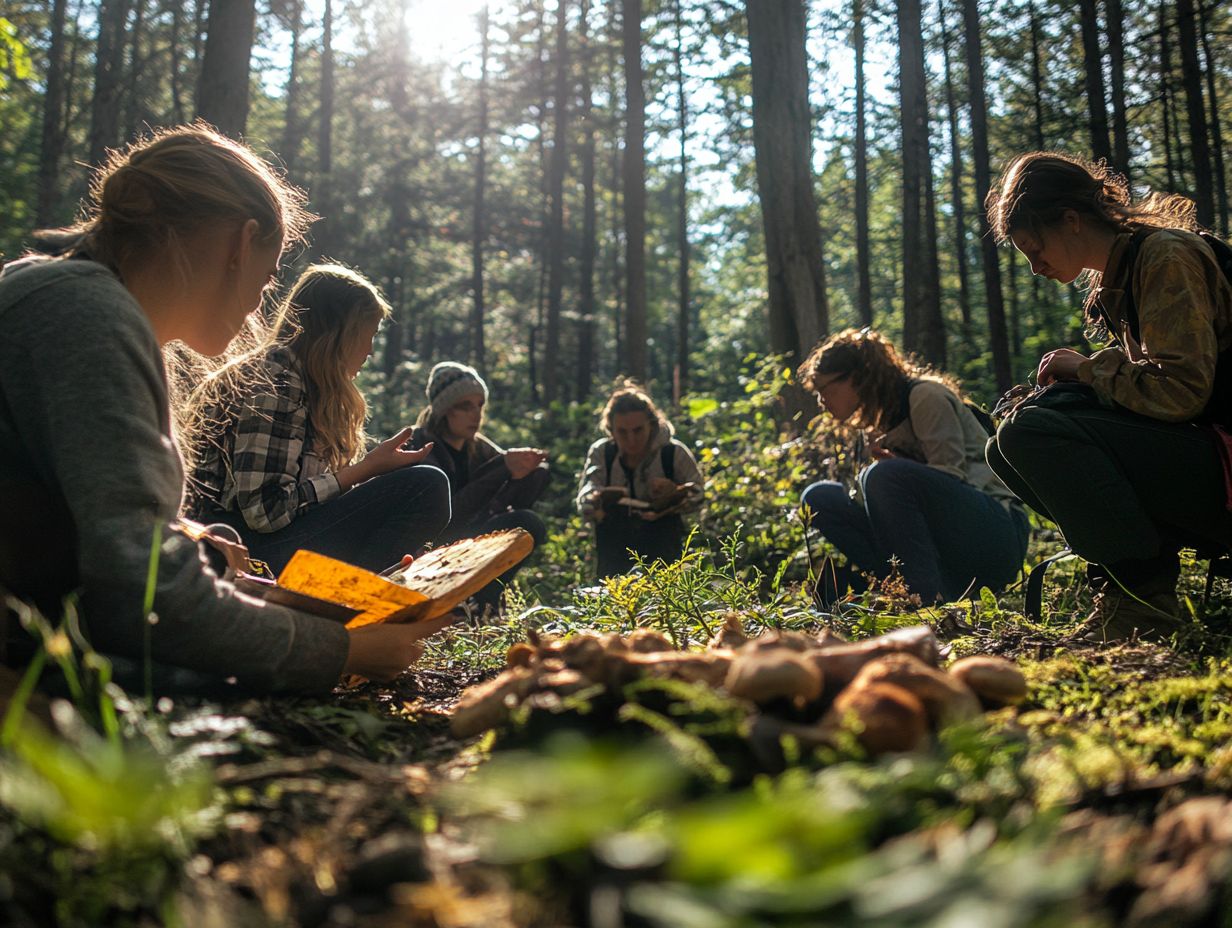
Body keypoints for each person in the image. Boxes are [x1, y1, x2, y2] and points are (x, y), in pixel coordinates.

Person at [0, 125, 451, 694]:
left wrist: (191, 540)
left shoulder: (72, 298)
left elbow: (96, 527)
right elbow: (145, 597)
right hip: (34, 650)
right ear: (239, 244)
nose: (261, 308)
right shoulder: (87, 317)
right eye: (266, 282)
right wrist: (342, 650)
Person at [984, 152, 1232, 640]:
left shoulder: (1165, 256)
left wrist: (1086, 369)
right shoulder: (1119, 279)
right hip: (1212, 463)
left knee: (1032, 431)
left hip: (1224, 468)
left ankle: (1141, 601)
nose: (1035, 268)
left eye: (1035, 249)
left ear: (1071, 220)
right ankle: (1133, 583)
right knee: (1007, 444)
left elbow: (1180, 393)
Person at [185, 262, 451, 575]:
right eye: (368, 335)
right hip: (235, 550)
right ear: (338, 333)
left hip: (262, 541)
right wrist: (365, 471)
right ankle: (350, 605)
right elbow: (265, 512)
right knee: (425, 487)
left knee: (418, 491)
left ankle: (362, 594)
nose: (369, 350)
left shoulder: (301, 382)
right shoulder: (276, 380)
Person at [799, 328, 1029, 605]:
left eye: (825, 389)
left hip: (995, 534)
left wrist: (893, 471)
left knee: (883, 476)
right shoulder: (874, 422)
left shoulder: (924, 396)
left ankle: (924, 598)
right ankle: (901, 587)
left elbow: (952, 477)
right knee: (818, 497)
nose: (821, 400)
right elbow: (881, 510)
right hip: (941, 549)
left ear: (858, 378)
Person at [409, 361, 549, 608]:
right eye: (465, 406)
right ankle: (472, 605)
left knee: (528, 523)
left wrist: (530, 473)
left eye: (480, 405)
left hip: (470, 542)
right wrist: (504, 468)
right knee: (526, 521)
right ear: (444, 409)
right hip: (428, 548)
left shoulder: (478, 446)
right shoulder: (420, 446)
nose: (476, 414)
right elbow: (449, 514)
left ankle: (484, 604)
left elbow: (514, 501)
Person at [577, 382, 704, 578]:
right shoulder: (603, 453)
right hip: (614, 542)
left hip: (662, 539)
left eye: (638, 430)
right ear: (611, 429)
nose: (631, 440)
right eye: (622, 432)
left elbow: (698, 493)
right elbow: (587, 494)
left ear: (651, 425)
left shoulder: (673, 453)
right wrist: (597, 502)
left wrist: (673, 494)